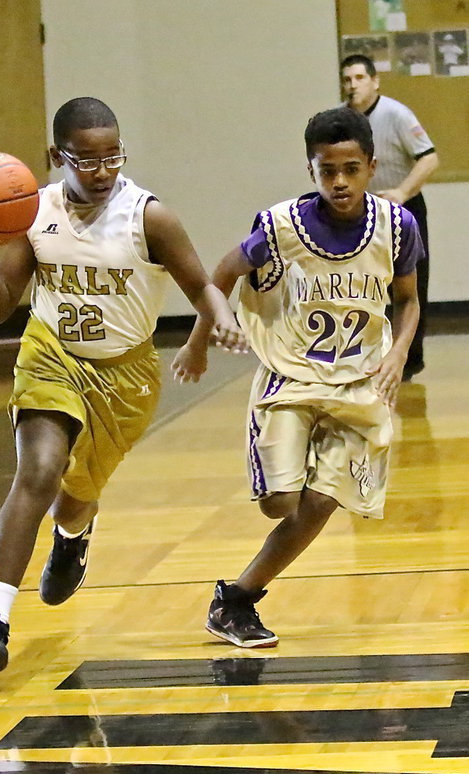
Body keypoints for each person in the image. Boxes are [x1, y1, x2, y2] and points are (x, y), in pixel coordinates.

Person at [0, 97, 245, 684]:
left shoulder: (149, 217)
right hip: (52, 356)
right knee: (39, 471)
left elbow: (200, 285)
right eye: (86, 160)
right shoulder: (33, 211)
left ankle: (73, 534)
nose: (102, 170)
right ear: (57, 156)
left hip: (124, 376)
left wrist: (223, 319)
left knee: (75, 495)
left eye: (113, 156)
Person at [172, 106, 422, 647]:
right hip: (291, 377)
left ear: (371, 166)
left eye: (351, 169)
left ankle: (236, 601)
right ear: (311, 170)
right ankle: (291, 456)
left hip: (357, 383)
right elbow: (222, 272)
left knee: (323, 502)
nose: (340, 181)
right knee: (280, 502)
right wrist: (199, 341)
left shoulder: (398, 226)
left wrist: (399, 354)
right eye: (327, 170)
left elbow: (408, 300)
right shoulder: (280, 227)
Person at [340, 53, 439, 381]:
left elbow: (429, 158)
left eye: (359, 78)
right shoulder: (340, 120)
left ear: (375, 81)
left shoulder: (396, 114)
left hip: (403, 209)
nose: (352, 85)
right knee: (360, 284)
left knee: (409, 285)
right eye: (347, 79)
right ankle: (363, 356)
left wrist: (401, 192)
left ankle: (407, 361)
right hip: (359, 212)